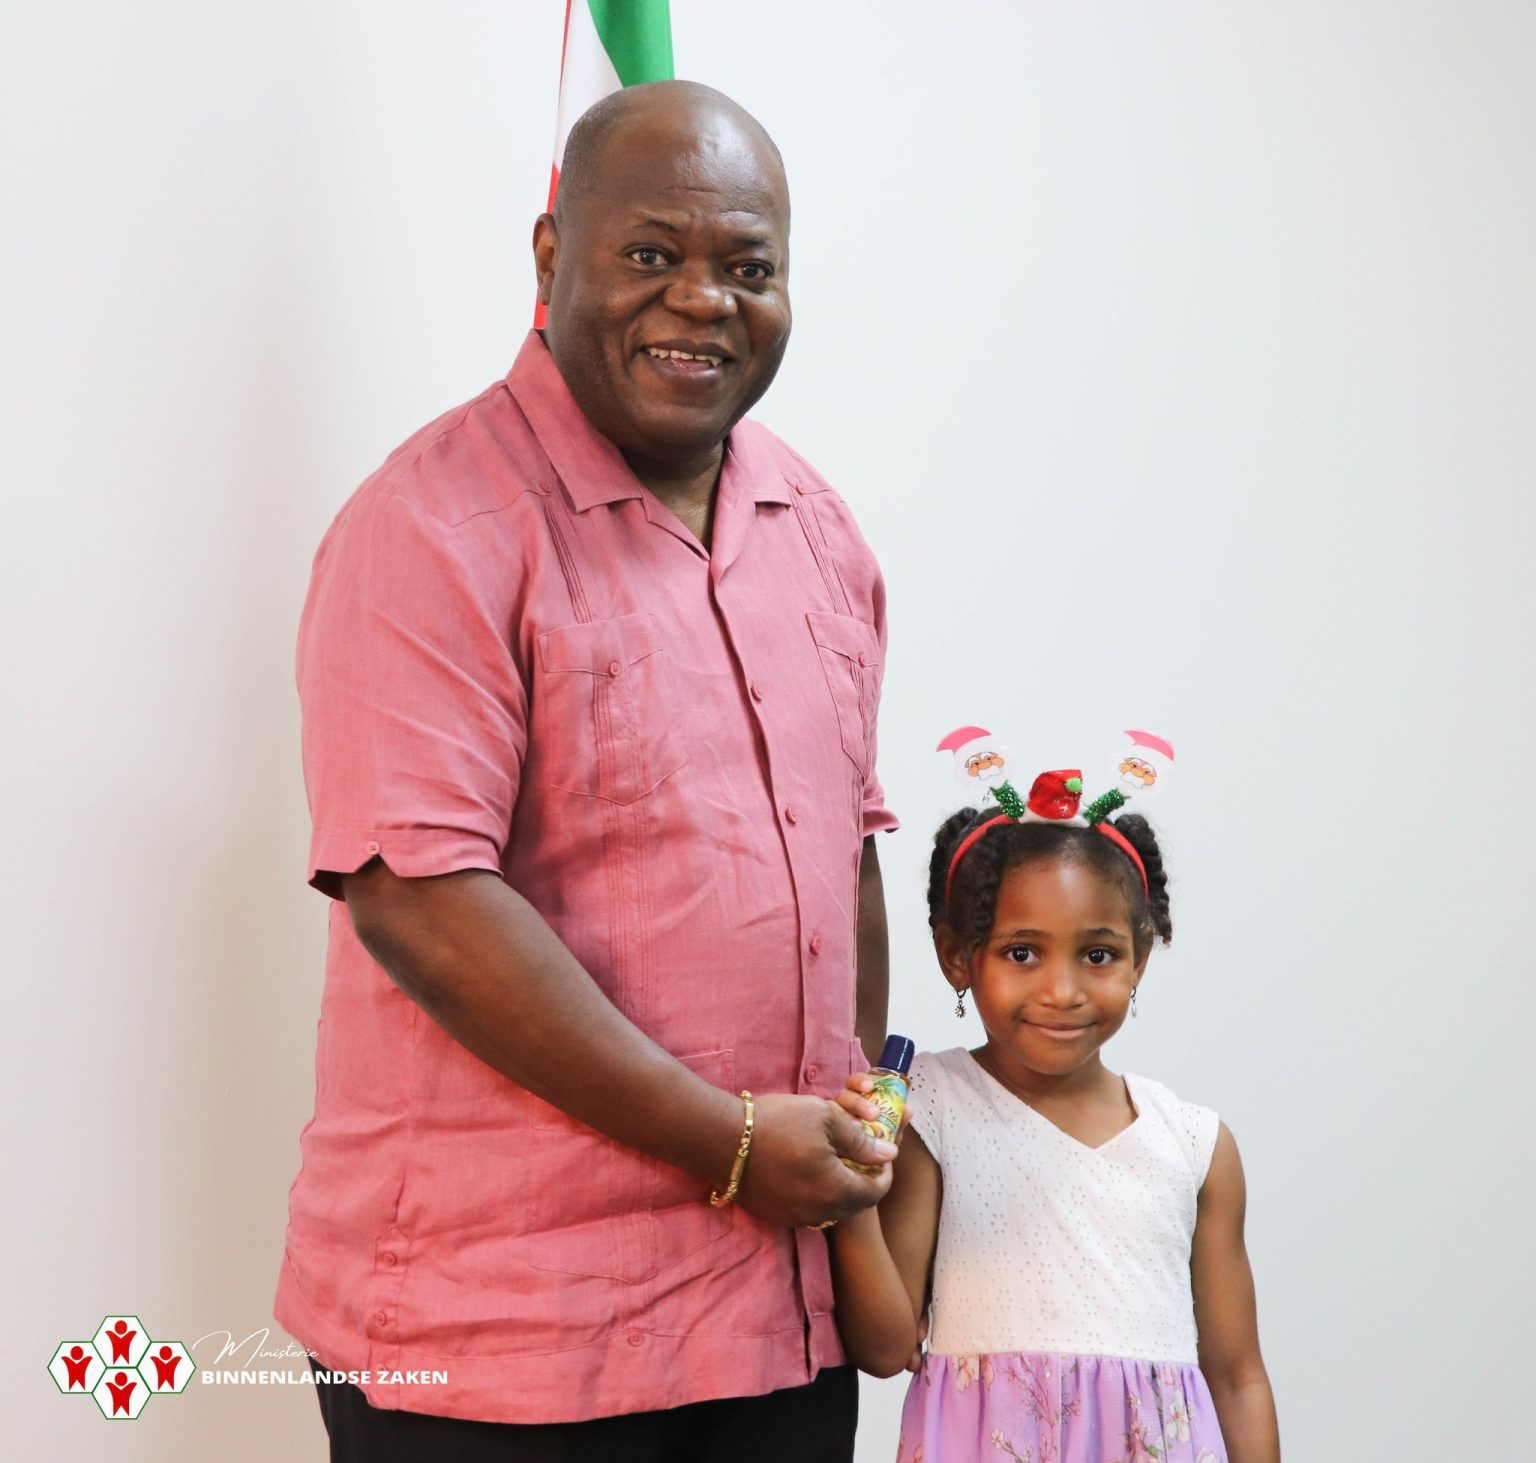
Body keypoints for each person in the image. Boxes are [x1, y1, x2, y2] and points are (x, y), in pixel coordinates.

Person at [276, 80, 899, 1460]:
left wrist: (852, 1122)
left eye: (748, 268)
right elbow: (420, 900)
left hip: (774, 1318)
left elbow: (843, 851)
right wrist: (734, 1141)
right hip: (502, 1339)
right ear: (552, 254)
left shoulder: (820, 529)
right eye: (651, 253)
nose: (703, 300)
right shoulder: (431, 524)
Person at [828, 765, 1281, 1461]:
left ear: (1140, 959)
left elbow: (1238, 1376)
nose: (1063, 990)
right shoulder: (933, 1108)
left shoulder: (1194, 1145)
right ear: (957, 957)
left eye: (1098, 954)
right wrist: (852, 1194)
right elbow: (885, 1348)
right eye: (1022, 953)